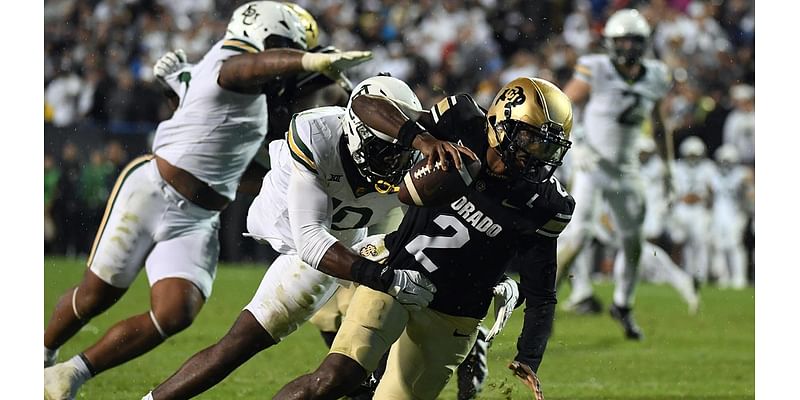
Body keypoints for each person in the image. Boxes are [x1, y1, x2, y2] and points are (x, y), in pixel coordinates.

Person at [44, 2, 373, 399]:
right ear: (267, 39)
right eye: (284, 49)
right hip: (154, 191)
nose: (283, 65)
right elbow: (241, 72)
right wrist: (306, 61)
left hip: (199, 216)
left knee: (175, 313)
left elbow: (230, 146)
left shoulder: (254, 97)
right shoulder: (231, 58)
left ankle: (70, 374)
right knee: (97, 295)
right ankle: (40, 355)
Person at [140, 75, 481, 400]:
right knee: (240, 344)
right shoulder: (319, 133)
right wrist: (385, 278)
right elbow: (311, 242)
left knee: (365, 350)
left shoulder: (410, 142)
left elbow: (463, 111)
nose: (393, 160)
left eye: (399, 149)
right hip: (302, 234)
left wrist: (449, 127)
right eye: (383, 148)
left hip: (356, 234)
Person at [273, 76, 575, 400]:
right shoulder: (461, 122)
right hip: (398, 274)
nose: (538, 155)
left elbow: (542, 293)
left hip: (454, 314)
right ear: (502, 121)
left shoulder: (546, 203)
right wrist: (422, 141)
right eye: (531, 140)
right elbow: (363, 104)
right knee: (335, 377)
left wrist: (529, 356)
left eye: (548, 146)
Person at [555, 8, 674, 340]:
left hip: (627, 169)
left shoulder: (656, 75)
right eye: (622, 40)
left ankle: (623, 304)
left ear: (645, 43)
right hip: (592, 166)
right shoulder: (596, 68)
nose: (628, 47)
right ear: (610, 42)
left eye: (634, 40)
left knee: (633, 242)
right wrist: (577, 143)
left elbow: (662, 125)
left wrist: (668, 169)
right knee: (577, 238)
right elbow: (561, 105)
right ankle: (544, 305)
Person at [669, 136, 717, 286]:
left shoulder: (708, 167)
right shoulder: (677, 168)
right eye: (690, 155)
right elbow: (673, 193)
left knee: (701, 243)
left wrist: (702, 198)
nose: (692, 158)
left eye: (695, 155)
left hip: (700, 209)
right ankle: (689, 276)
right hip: (683, 208)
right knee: (686, 243)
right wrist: (684, 198)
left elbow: (713, 191)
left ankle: (701, 276)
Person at [708, 144, 754, 289]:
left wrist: (747, 186)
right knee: (720, 246)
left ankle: (739, 278)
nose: (726, 164)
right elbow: (710, 196)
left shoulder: (742, 173)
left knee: (734, 245)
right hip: (719, 214)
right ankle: (724, 278)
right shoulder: (714, 175)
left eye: (728, 161)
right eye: (723, 161)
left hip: (736, 213)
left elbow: (750, 194)